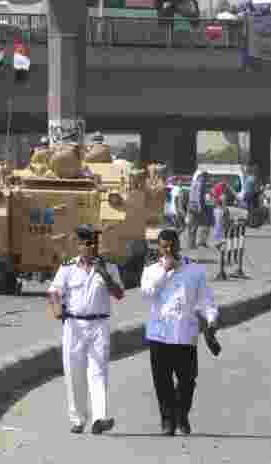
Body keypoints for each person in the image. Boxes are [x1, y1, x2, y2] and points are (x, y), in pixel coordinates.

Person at [47, 224, 125, 435]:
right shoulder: (67, 267)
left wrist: (105, 276)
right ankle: (79, 418)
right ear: (79, 245)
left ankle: (100, 418)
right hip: (74, 325)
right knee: (74, 372)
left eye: (95, 244)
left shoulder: (109, 267)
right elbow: (54, 291)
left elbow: (119, 294)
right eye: (87, 243)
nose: (92, 247)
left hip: (99, 324)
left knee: (98, 371)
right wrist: (56, 309)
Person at [141, 228, 219, 436]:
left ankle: (181, 415)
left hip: (185, 333)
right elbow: (147, 294)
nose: (169, 250)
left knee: (187, 380)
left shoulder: (195, 270)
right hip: (159, 334)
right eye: (164, 246)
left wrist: (211, 321)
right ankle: (167, 420)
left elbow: (206, 299)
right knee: (162, 381)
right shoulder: (151, 270)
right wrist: (165, 273)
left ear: (178, 245)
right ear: (159, 248)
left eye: (172, 246)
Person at [187, 170, 209, 249]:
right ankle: (192, 244)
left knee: (191, 226)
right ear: (202, 177)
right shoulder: (200, 184)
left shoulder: (193, 183)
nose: (206, 180)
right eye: (206, 178)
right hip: (196, 206)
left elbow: (191, 195)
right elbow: (198, 196)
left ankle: (190, 244)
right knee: (194, 226)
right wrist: (200, 207)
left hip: (191, 205)